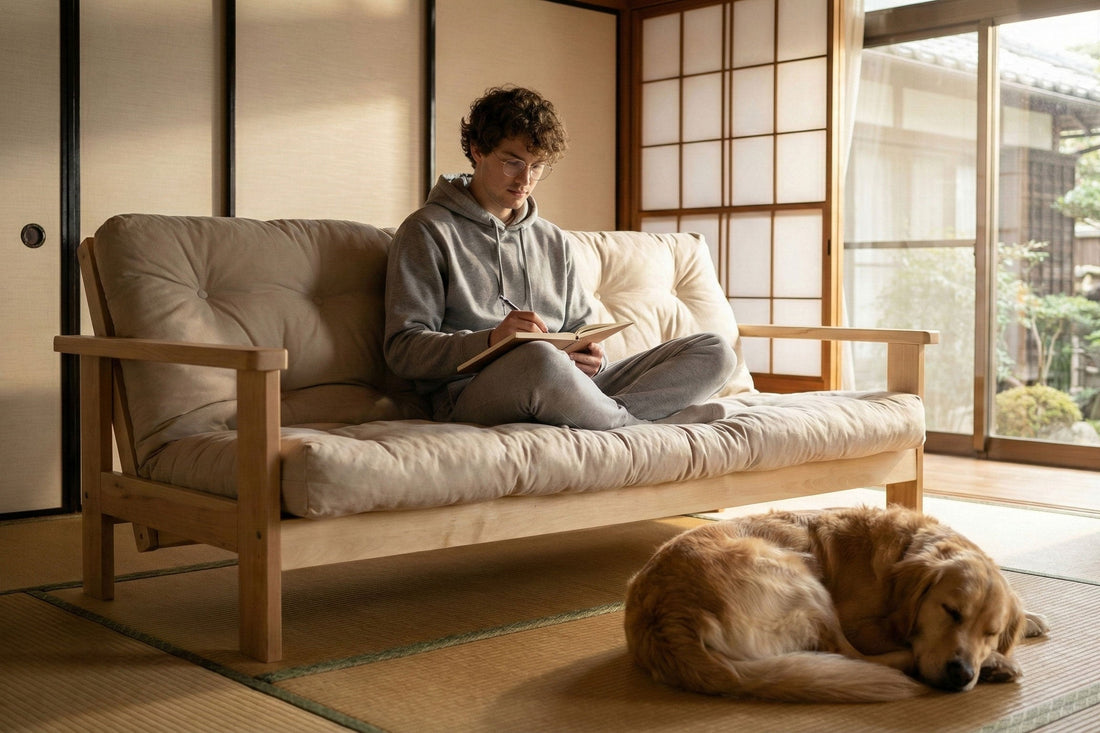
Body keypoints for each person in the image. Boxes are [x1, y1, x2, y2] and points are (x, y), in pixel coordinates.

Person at [384, 86, 736, 428]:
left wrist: (595, 360)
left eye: (537, 166)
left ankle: (614, 417)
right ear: (477, 150)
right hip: (470, 392)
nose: (525, 179)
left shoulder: (552, 239)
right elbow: (404, 349)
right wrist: (491, 340)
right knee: (539, 358)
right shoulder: (427, 231)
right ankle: (633, 423)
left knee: (715, 350)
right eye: (513, 162)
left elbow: (581, 330)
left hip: (568, 385)